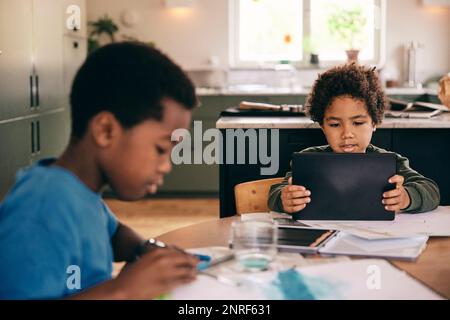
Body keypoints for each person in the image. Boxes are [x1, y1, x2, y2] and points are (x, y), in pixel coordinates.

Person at [0, 42, 200, 299]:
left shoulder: (78, 189)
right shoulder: (41, 207)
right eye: (161, 149)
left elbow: (113, 233)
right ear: (105, 131)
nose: (166, 165)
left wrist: (145, 247)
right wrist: (122, 289)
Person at [268, 63, 440, 215]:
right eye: (335, 125)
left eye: (358, 123)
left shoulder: (391, 163)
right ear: (323, 127)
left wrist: (406, 198)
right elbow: (277, 191)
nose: (347, 134)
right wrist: (285, 199)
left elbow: (431, 191)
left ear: (374, 123)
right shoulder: (308, 160)